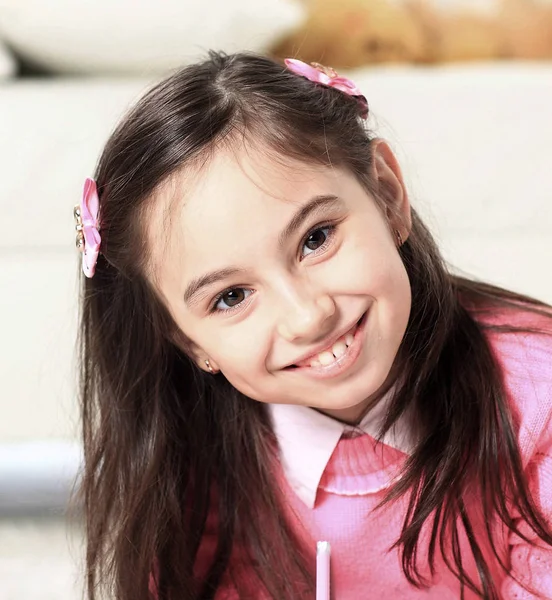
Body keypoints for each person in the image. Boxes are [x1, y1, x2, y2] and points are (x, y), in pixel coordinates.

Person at [73, 51, 552, 600]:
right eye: (231, 297)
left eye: (316, 239)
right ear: (189, 341)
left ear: (387, 196)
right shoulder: (192, 465)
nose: (308, 316)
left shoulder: (537, 397)